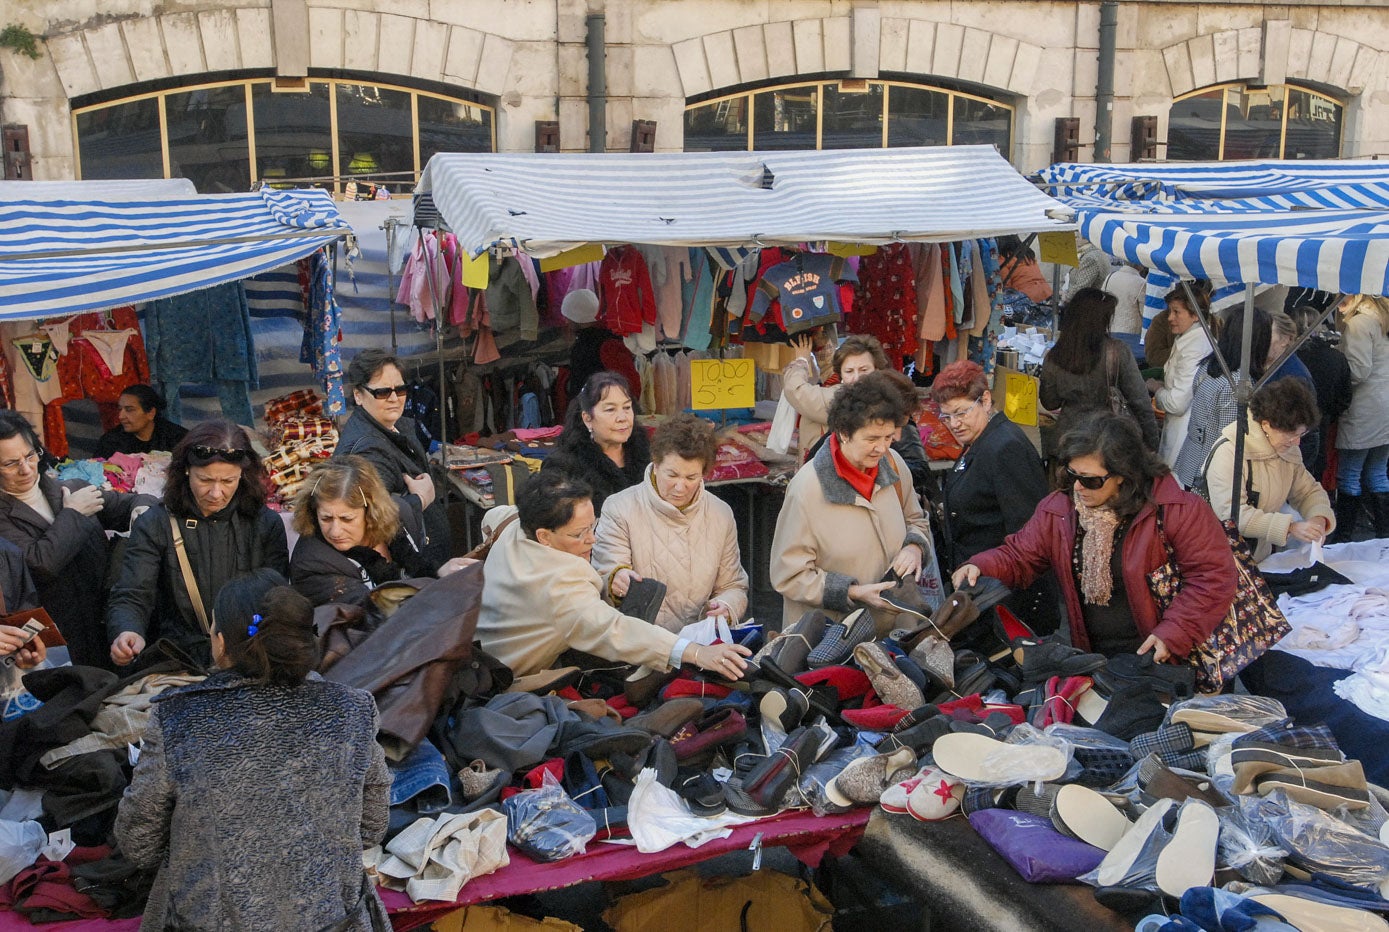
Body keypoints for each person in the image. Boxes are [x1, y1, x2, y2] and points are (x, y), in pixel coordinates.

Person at [115, 569, 390, 931]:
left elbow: (139, 842)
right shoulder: (352, 709)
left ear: (221, 643)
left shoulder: (178, 716)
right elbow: (371, 828)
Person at [954, 412, 1237, 659]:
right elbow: (1020, 556)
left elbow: (1212, 578)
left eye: (1090, 480)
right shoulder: (1059, 510)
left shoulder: (1177, 510)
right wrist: (980, 565)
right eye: (1072, 474)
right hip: (1097, 657)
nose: (1078, 487)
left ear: (1123, 475)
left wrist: (1174, 632)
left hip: (1167, 656)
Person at [475, 471, 750, 678]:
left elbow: (494, 516)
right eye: (578, 534)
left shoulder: (514, 525)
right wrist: (696, 652)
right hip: (509, 683)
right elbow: (615, 630)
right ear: (544, 536)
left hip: (482, 658)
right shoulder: (559, 586)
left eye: (591, 526)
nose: (592, 540)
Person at [106, 421, 289, 669]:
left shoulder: (265, 523)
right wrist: (127, 631)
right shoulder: (156, 523)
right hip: (179, 656)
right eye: (205, 480)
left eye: (228, 481)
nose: (216, 493)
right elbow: (133, 592)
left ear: (243, 476)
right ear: (185, 471)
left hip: (250, 657)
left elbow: (276, 598)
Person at [770, 376, 935, 630]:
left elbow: (916, 521)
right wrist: (853, 592)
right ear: (845, 433)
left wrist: (914, 548)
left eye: (888, 437)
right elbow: (789, 575)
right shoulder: (807, 489)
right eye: (871, 439)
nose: (881, 448)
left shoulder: (894, 465)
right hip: (831, 638)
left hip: (895, 632)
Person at [0, 411, 152, 668]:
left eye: (29, 455)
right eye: (10, 464)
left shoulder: (72, 488)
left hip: (107, 623)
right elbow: (40, 563)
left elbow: (135, 501)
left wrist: (142, 512)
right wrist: (73, 514)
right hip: (56, 644)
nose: (25, 469)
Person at [931, 361, 1058, 633]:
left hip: (1003, 599)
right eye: (947, 416)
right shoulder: (980, 441)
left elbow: (1028, 535)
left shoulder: (1006, 447)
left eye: (961, 412)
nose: (954, 424)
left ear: (985, 400)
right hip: (982, 589)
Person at [592, 413, 749, 632]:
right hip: (640, 645)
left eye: (691, 478)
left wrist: (726, 607)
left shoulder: (720, 514)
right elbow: (604, 575)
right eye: (672, 475)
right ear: (655, 464)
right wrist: (615, 580)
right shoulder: (619, 508)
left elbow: (733, 585)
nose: (680, 487)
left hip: (701, 649)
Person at [289, 457, 474, 607]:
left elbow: (411, 508)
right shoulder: (311, 564)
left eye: (347, 519)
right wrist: (437, 580)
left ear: (371, 512)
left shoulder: (398, 518)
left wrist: (438, 574)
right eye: (326, 518)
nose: (335, 531)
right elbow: (375, 612)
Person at [334, 349, 450, 568]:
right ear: (358, 395)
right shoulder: (368, 451)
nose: (394, 399)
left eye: (400, 389)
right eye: (382, 392)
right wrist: (420, 500)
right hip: (413, 567)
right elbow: (372, 518)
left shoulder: (398, 425)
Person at [1205, 379, 1334, 562]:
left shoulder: (1288, 451)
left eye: (1301, 435)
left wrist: (1318, 518)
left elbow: (1308, 491)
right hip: (1221, 558)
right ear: (1266, 425)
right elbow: (1232, 514)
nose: (1297, 442)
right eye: (1291, 436)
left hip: (1259, 556)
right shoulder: (1230, 452)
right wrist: (1290, 527)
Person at [1039, 288, 1160, 459]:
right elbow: (1141, 403)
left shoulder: (1055, 356)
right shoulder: (1117, 352)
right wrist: (1152, 445)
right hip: (1109, 443)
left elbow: (1050, 402)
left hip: (1068, 440)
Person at [1172, 306, 1272, 489]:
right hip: (1210, 475)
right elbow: (1228, 439)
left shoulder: (1209, 367)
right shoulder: (1238, 385)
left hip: (1190, 462)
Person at [805, 369, 932, 493]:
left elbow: (920, 470)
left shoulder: (893, 459)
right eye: (872, 438)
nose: (897, 436)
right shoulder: (816, 469)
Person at [542, 371, 650, 515]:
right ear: (587, 418)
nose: (622, 418)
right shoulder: (563, 464)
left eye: (626, 407)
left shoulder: (647, 454)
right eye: (610, 409)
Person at [1330, 294, 1389, 542]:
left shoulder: (1358, 324)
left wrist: (1335, 362)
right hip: (1383, 405)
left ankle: (1344, 536)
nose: (1338, 299)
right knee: (1377, 472)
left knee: (1350, 473)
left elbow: (1358, 370)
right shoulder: (1381, 319)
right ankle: (1384, 535)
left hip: (1364, 407)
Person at [783, 332, 889, 463]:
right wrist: (822, 343)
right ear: (841, 375)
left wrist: (801, 361)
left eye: (863, 370)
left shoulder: (839, 400)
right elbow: (831, 370)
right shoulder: (882, 394)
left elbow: (795, 389)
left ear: (876, 370)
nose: (856, 377)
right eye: (849, 371)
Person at [1149, 287, 1214, 468]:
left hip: (1184, 436)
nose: (1170, 318)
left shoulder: (1195, 347)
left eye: (1177, 312)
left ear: (1195, 315)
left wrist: (1157, 389)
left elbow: (1177, 404)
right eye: (1170, 311)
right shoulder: (1188, 339)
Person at [1289, 303, 1352, 481]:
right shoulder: (1336, 358)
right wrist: (1328, 415)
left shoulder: (1286, 358)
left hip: (1287, 427)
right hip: (1321, 424)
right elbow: (1345, 398)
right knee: (1312, 481)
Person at [563, 288, 640, 401]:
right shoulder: (586, 340)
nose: (566, 321)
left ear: (576, 317)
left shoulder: (607, 343)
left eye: (568, 317)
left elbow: (631, 386)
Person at [93, 385, 188, 458]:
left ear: (151, 413)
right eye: (120, 409)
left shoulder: (178, 439)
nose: (121, 416)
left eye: (129, 410)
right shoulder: (110, 442)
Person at [997, 235, 1052, 305]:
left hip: (1028, 297)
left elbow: (1006, 288)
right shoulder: (1027, 253)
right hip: (1046, 292)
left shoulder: (1003, 259)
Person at [1102, 263, 1147, 336]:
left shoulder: (1110, 276)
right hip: (1130, 332)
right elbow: (1144, 312)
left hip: (1109, 327)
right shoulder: (1141, 283)